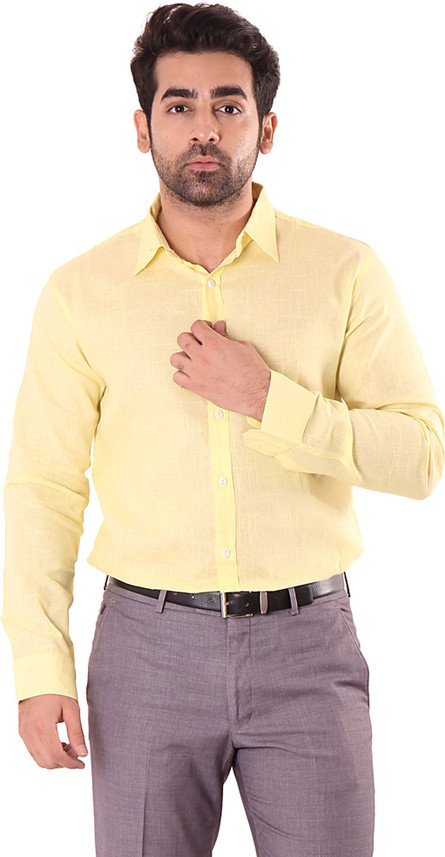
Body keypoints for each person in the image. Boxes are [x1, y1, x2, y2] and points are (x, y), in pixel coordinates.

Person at [1, 3, 443, 856]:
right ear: (143, 128)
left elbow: (421, 456)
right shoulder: (79, 291)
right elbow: (43, 487)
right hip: (144, 648)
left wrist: (268, 399)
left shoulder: (345, 271)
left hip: (309, 647)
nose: (204, 128)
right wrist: (39, 666)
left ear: (265, 128)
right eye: (180, 105)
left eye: (228, 106)